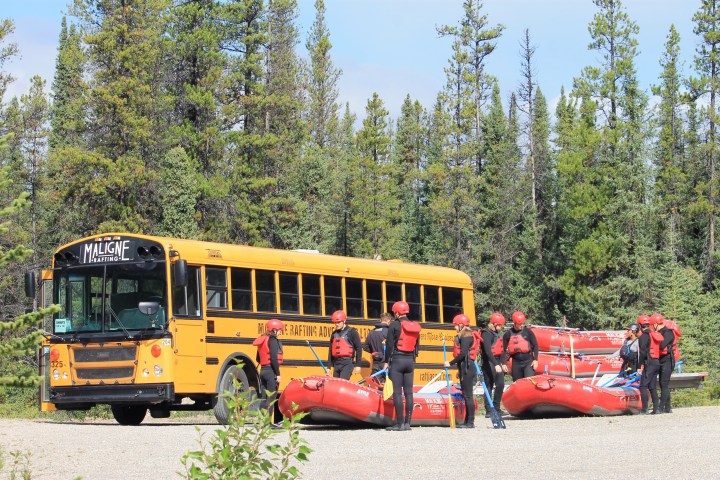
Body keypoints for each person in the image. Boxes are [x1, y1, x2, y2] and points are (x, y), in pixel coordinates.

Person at [383, 300, 422, 431]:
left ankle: (399, 424)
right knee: (409, 393)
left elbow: (389, 345)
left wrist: (385, 361)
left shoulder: (394, 325)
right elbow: (417, 346)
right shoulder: (415, 326)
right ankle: (407, 423)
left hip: (398, 360)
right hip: (410, 361)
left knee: (397, 393)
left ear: (397, 313)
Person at [443, 313, 479, 428]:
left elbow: (463, 354)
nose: (454, 328)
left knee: (468, 395)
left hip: (468, 367)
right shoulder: (465, 335)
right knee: (466, 394)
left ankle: (470, 422)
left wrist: (450, 363)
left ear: (461, 325)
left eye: (455, 325)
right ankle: (467, 421)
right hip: (465, 367)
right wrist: (459, 369)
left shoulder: (466, 336)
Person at [253, 318, 284, 426]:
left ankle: (262, 422)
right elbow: (274, 359)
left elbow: (258, 358)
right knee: (271, 398)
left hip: (263, 371)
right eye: (280, 330)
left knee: (264, 398)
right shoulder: (273, 340)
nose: (280, 332)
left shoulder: (263, 339)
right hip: (271, 372)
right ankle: (268, 424)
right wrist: (278, 374)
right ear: (274, 330)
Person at [481, 312, 508, 417]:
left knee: (500, 384)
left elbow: (501, 350)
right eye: (499, 325)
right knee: (489, 385)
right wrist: (496, 364)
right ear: (494, 323)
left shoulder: (497, 334)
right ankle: (489, 410)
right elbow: (488, 351)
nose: (500, 328)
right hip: (489, 361)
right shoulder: (486, 334)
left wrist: (502, 363)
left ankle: (496, 408)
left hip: (497, 361)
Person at [502, 311, 539, 381]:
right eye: (519, 324)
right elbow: (503, 350)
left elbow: (535, 345)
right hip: (516, 362)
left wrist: (535, 360)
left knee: (528, 382)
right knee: (517, 383)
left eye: (522, 323)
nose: (522, 325)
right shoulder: (508, 334)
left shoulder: (528, 332)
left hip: (528, 362)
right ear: (515, 323)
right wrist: (503, 363)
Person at [327, 310, 362, 380]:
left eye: (339, 322)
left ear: (344, 321)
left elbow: (359, 348)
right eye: (335, 323)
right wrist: (329, 367)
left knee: (343, 382)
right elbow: (331, 350)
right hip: (336, 363)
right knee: (336, 384)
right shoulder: (334, 334)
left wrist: (358, 365)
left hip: (347, 363)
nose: (337, 324)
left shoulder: (352, 332)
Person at [652, 313, 676, 414]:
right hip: (661, 359)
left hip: (667, 360)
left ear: (656, 324)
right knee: (663, 384)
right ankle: (668, 407)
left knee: (664, 383)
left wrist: (654, 338)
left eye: (652, 325)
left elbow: (662, 345)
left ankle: (661, 408)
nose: (652, 327)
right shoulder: (660, 332)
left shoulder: (668, 333)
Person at [636, 314, 656, 414]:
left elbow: (643, 352)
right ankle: (657, 408)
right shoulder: (654, 334)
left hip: (648, 362)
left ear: (640, 325)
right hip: (656, 361)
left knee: (643, 386)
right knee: (652, 386)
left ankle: (644, 409)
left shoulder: (643, 337)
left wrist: (639, 366)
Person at [364, 312, 392, 377]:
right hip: (386, 362)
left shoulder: (372, 332)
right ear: (388, 320)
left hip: (375, 363)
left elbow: (365, 347)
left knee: (376, 383)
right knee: (387, 384)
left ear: (380, 320)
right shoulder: (389, 332)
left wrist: (375, 352)